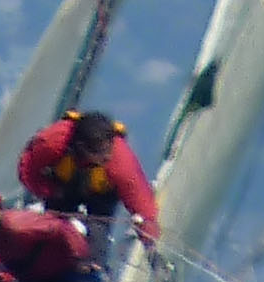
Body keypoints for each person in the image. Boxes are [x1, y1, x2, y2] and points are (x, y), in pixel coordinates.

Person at [16, 109, 158, 264]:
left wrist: (150, 245)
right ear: (82, 147)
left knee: (97, 234)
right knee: (56, 231)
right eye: (101, 152)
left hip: (101, 195)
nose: (108, 156)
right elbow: (28, 168)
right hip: (62, 188)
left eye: (109, 149)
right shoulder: (52, 142)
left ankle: (93, 267)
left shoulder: (120, 162)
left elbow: (142, 203)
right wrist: (48, 190)